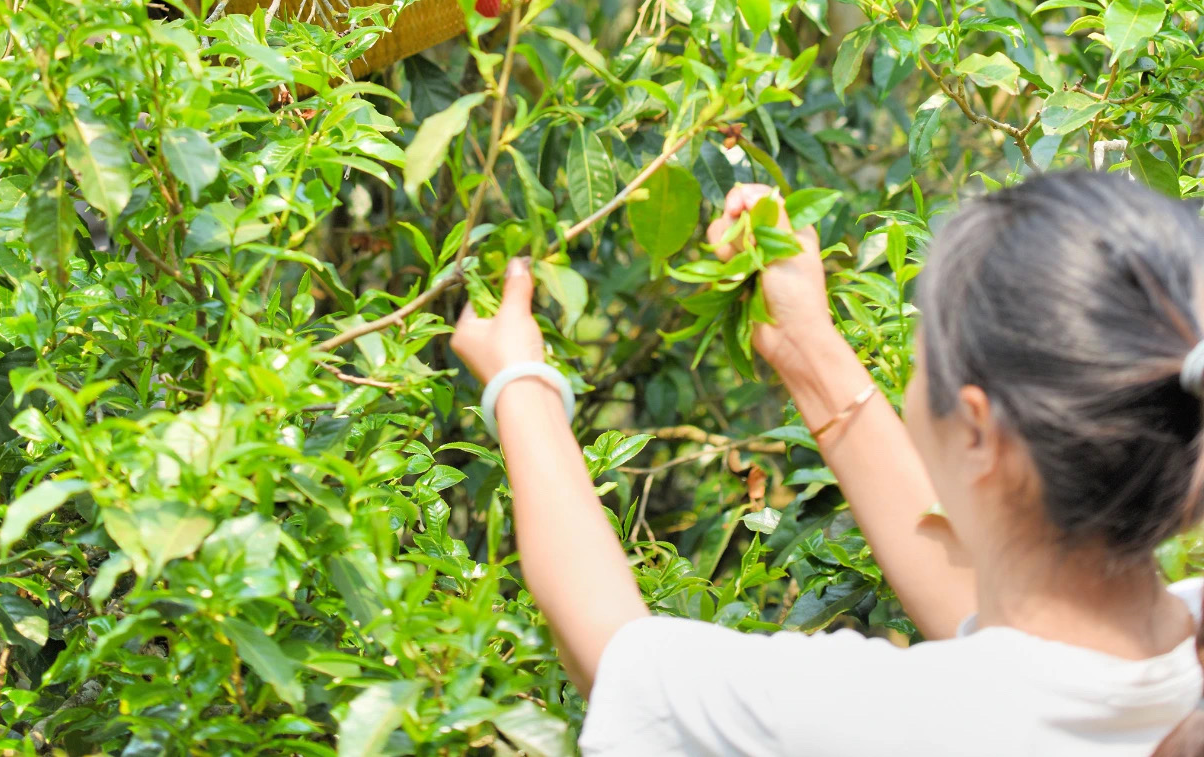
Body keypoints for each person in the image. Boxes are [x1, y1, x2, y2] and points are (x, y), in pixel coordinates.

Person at [452, 169, 1204, 755]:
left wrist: (520, 383)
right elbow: (999, 640)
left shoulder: (883, 720)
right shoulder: (1171, 648)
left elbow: (613, 654)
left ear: (976, 428)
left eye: (920, 357)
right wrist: (808, 348)